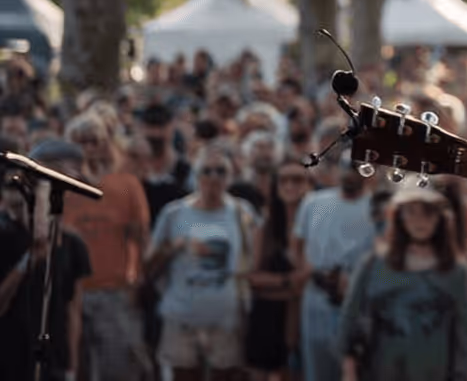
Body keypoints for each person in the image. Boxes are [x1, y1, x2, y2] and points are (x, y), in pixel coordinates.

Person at [144, 142, 258, 381]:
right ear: (196, 176)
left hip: (226, 320)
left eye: (221, 171)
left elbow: (254, 260)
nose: (213, 177)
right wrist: (174, 247)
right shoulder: (174, 213)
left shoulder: (242, 212)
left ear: (231, 176)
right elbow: (149, 265)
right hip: (181, 316)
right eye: (207, 170)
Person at [338, 188, 467, 381]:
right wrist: (348, 370)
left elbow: (462, 336)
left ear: (441, 218)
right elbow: (350, 319)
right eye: (411, 212)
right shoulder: (373, 265)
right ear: (399, 216)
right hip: (379, 369)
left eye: (428, 212)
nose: (420, 221)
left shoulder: (457, 273)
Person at [62, 111, 153, 381]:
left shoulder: (126, 184)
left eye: (94, 141)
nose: (88, 148)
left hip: (114, 290)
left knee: (118, 369)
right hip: (70, 293)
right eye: (80, 142)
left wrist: (136, 281)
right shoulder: (60, 186)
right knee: (76, 368)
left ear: (106, 143)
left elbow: (140, 237)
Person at [0, 141, 94, 381]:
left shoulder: (71, 243)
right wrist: (26, 262)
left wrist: (72, 366)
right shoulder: (6, 236)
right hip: (10, 357)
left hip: (55, 359)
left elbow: (73, 308)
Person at [292, 154, 376, 381]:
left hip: (358, 304)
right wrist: (307, 271)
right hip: (316, 299)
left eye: (358, 167)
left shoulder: (376, 209)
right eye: (347, 166)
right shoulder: (314, 202)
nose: (351, 172)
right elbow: (298, 244)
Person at [246, 159, 314, 380]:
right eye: (283, 180)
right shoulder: (264, 227)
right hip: (268, 316)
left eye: (297, 179)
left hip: (306, 315)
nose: (290, 185)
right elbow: (252, 277)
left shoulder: (318, 223)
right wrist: (288, 281)